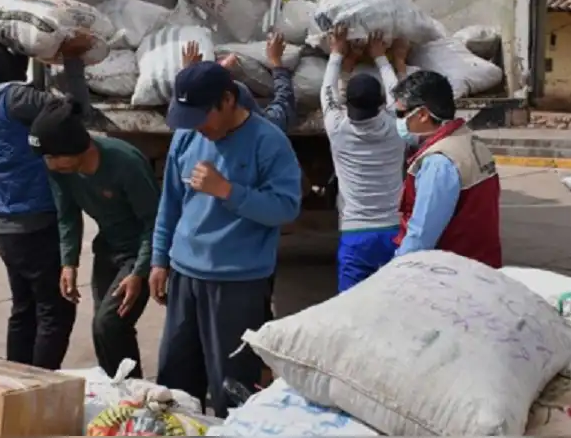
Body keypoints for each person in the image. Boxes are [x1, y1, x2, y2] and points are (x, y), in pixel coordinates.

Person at [150, 61, 302, 417]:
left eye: (202, 116)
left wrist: (228, 191)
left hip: (238, 284)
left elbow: (286, 208)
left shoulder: (268, 142)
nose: (196, 126)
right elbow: (170, 202)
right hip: (185, 276)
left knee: (233, 389)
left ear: (228, 100)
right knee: (174, 386)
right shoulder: (187, 136)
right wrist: (159, 258)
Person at [0, 35, 90, 370]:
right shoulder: (15, 97)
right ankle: (38, 387)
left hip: (6, 226)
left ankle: (15, 380)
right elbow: (72, 114)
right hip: (39, 221)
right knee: (55, 311)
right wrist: (71, 63)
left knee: (24, 309)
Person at [29, 98, 160, 379]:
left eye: (54, 157)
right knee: (104, 330)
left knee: (109, 324)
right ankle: (119, 390)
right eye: (46, 158)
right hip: (108, 249)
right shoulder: (60, 171)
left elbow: (154, 223)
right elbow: (67, 215)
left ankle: (133, 391)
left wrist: (139, 272)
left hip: (139, 250)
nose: (49, 164)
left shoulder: (125, 162)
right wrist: (69, 263)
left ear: (76, 146)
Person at [320, 25, 407, 292]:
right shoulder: (397, 127)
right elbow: (398, 93)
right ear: (381, 103)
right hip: (393, 231)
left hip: (355, 233)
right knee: (395, 299)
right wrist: (381, 57)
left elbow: (326, 90)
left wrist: (336, 52)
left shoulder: (338, 128)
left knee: (351, 303)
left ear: (347, 104)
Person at [392, 71, 502, 268]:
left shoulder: (439, 162)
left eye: (401, 114)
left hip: (450, 273)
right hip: (481, 267)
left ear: (422, 114)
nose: (399, 121)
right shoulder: (470, 141)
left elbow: (421, 235)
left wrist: (397, 270)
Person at [181, 34, 295, 133]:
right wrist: (276, 60)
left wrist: (189, 76)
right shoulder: (264, 130)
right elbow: (284, 102)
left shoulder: (192, 133)